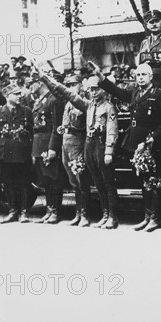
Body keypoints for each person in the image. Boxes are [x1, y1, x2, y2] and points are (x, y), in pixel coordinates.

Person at [39, 69, 119, 230]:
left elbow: (112, 129)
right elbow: (68, 94)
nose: (94, 92)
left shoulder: (108, 107)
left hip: (101, 145)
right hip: (89, 145)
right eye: (92, 89)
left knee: (107, 183)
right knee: (98, 183)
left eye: (97, 89)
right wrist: (47, 79)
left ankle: (112, 217)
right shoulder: (89, 105)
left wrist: (109, 150)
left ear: (103, 89)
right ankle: (104, 215)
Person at [95, 62, 161, 232]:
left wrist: (152, 139)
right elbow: (117, 92)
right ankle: (147, 216)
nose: (140, 78)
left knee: (154, 180)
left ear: (151, 77)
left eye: (144, 75)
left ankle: (155, 218)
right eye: (138, 75)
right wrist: (101, 76)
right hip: (136, 144)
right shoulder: (135, 92)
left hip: (152, 144)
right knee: (143, 180)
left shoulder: (159, 94)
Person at [0, 84, 34, 224]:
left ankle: (24, 212)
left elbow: (31, 132)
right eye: (16, 93)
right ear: (8, 95)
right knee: (8, 183)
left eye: (20, 93)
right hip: (5, 151)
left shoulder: (27, 111)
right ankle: (13, 211)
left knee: (23, 182)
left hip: (22, 151)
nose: (20, 96)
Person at [30, 75, 66, 224]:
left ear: (40, 83)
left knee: (53, 180)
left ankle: (56, 211)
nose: (30, 86)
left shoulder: (54, 100)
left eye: (32, 83)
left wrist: (53, 148)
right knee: (45, 181)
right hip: (39, 145)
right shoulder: (39, 100)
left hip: (48, 145)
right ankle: (49, 209)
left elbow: (57, 127)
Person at [57, 74, 89, 226]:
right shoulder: (68, 103)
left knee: (80, 178)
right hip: (66, 141)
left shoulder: (83, 102)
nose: (71, 88)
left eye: (73, 84)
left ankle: (84, 214)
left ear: (81, 85)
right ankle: (78, 213)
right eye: (68, 85)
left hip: (77, 141)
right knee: (73, 181)